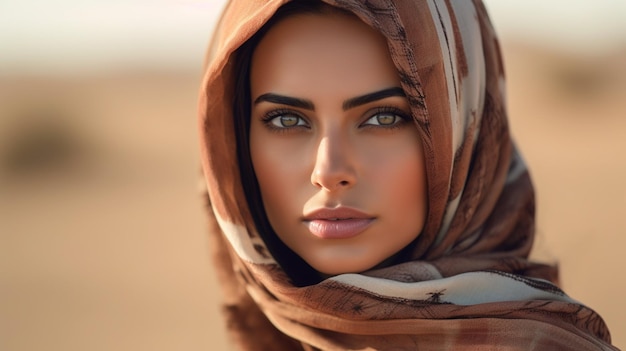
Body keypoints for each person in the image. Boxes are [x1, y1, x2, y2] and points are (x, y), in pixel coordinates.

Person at [198, 0, 617, 350]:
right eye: (287, 120)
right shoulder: (268, 333)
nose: (329, 172)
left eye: (384, 118)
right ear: (233, 139)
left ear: (463, 130)